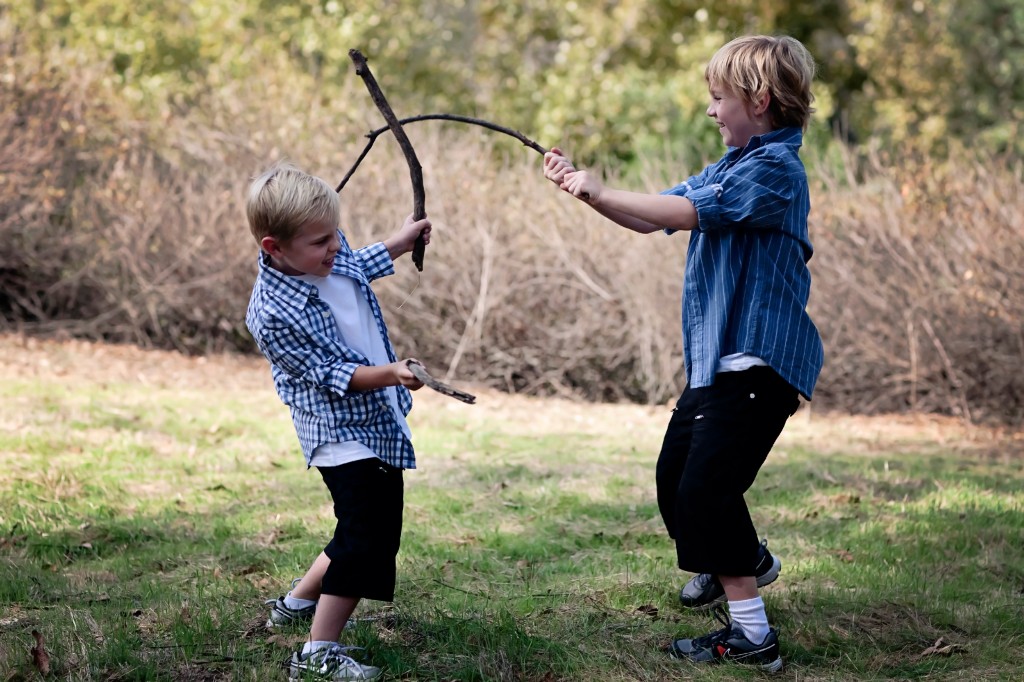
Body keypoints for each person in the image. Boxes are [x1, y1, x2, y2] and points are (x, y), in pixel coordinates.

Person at [542, 35, 823, 673]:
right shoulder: (727, 165)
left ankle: (752, 634)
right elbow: (655, 217)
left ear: (758, 100)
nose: (710, 111)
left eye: (718, 98)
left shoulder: (776, 170)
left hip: (759, 362)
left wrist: (599, 191)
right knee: (675, 484)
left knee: (706, 492)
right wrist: (587, 192)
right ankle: (744, 560)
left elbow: (691, 211)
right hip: (717, 363)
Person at [244, 161, 432, 680]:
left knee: (358, 526)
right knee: (368, 534)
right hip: (338, 426)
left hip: (373, 416)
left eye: (334, 234)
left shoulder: (327, 253)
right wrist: (392, 373)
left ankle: (296, 603)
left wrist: (399, 240)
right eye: (320, 241)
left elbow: (354, 265)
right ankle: (317, 653)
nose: (334, 247)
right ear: (273, 248)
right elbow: (333, 373)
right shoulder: (271, 314)